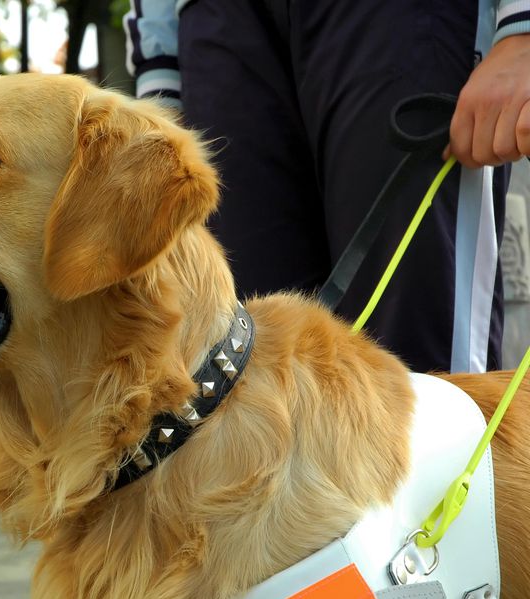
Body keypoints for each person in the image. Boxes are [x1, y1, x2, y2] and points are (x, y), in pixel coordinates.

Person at [124, 1, 530, 374]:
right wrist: (160, 83)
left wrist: (522, 26)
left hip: (398, 18)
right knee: (248, 392)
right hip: (220, 26)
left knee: (423, 377)